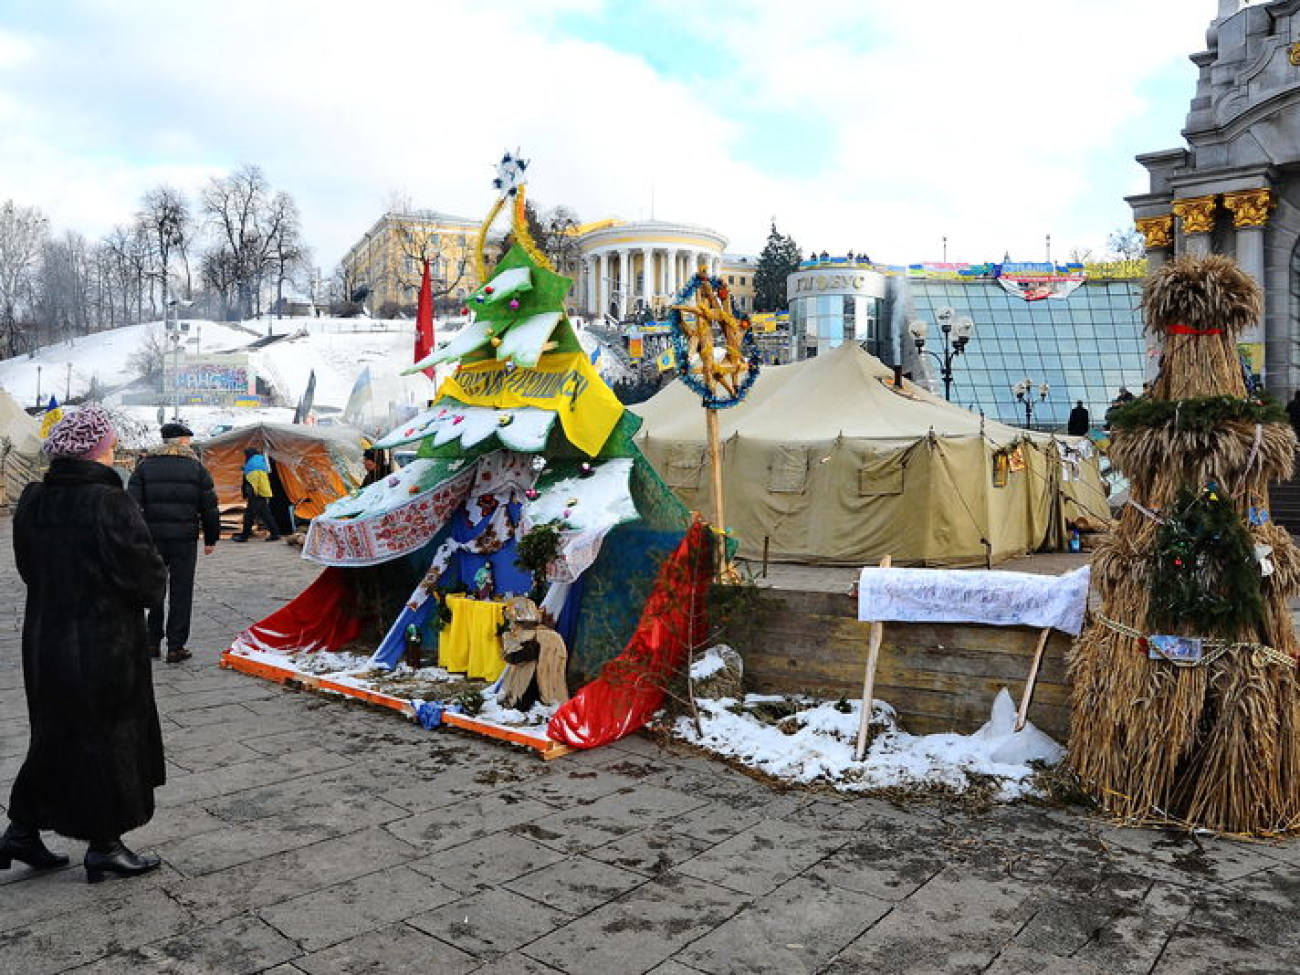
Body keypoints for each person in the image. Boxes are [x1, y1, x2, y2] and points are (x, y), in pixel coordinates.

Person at [3, 406, 168, 883]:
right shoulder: (108, 502)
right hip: (103, 645)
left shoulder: (33, 499)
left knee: (55, 736)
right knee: (107, 739)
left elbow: (29, 569)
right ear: (96, 449)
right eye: (110, 442)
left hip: (46, 640)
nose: (114, 448)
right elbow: (146, 581)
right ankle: (105, 844)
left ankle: (21, 831)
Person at [127, 421, 221, 664]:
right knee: (181, 591)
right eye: (187, 439)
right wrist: (211, 538)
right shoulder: (196, 469)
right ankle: (176, 646)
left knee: (155, 587)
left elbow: (131, 505)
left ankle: (151, 642)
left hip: (152, 539)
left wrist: (134, 535)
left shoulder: (144, 467)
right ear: (181, 441)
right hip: (184, 540)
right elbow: (209, 508)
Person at [233, 447, 280, 542]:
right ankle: (275, 534)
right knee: (266, 515)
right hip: (262, 492)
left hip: (256, 494)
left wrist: (251, 493)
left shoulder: (252, 464)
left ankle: (244, 536)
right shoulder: (259, 461)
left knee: (249, 515)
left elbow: (253, 479)